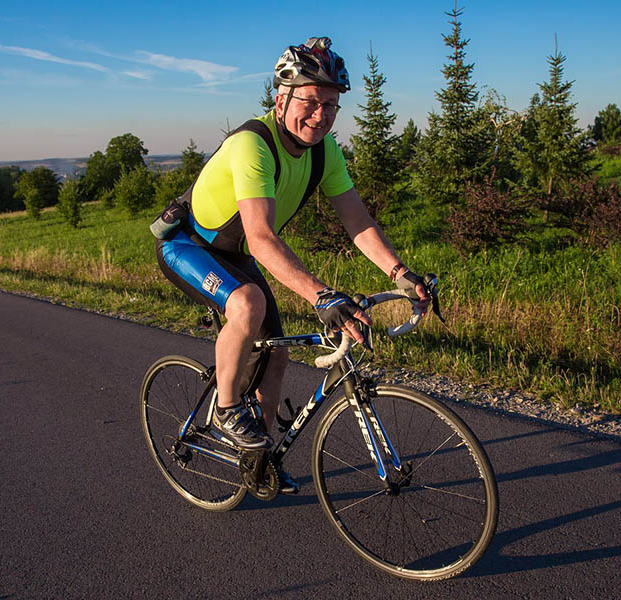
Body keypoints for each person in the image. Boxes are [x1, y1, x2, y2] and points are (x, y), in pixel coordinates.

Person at [155, 36, 430, 494]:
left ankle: (258, 459)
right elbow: (262, 238)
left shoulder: (325, 152)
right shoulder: (253, 144)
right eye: (311, 102)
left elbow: (358, 221)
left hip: (237, 254)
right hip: (189, 246)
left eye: (331, 105)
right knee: (247, 305)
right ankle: (226, 409)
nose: (321, 115)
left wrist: (400, 274)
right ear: (281, 99)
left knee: (276, 353)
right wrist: (322, 295)